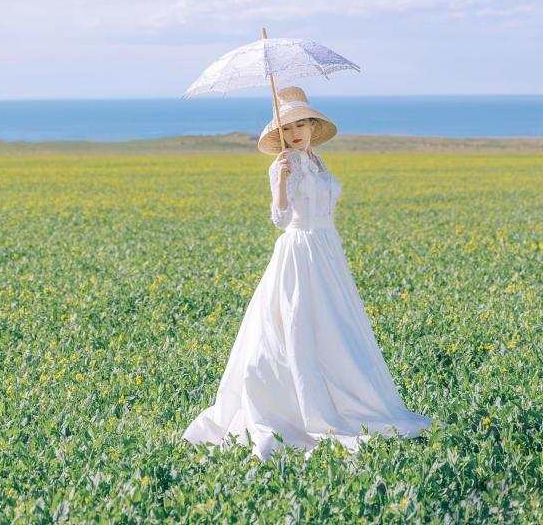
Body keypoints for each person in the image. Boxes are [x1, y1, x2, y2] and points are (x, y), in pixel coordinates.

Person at [181, 86, 432, 461]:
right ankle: (296, 407)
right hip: (299, 250)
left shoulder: (315, 160)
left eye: (301, 124)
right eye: (287, 128)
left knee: (337, 329)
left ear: (313, 126)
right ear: (279, 135)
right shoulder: (284, 164)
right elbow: (281, 220)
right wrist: (279, 183)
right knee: (295, 325)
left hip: (328, 250)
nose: (295, 133)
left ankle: (350, 397)